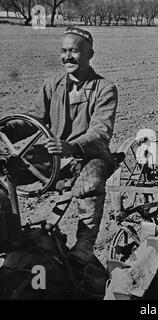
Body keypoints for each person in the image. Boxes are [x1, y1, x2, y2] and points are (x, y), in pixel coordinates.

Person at [1, 27, 118, 265]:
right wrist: (6, 130)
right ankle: (9, 236)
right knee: (4, 169)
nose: (67, 57)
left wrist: (71, 147)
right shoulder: (53, 84)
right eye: (63, 51)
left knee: (91, 181)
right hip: (51, 155)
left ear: (90, 54)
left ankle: (84, 246)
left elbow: (100, 133)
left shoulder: (105, 88)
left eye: (74, 51)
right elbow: (32, 119)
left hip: (88, 155)